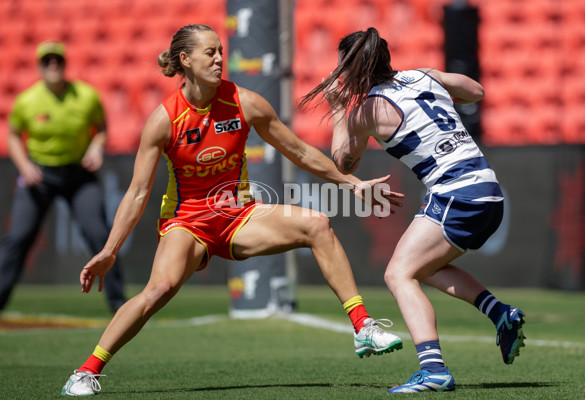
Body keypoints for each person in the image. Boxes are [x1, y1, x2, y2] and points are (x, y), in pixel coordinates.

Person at [61, 24, 405, 396]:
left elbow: (301, 152)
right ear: (185, 60)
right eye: (209, 52)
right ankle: (85, 371)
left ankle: (363, 327)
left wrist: (354, 185)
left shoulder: (245, 102)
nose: (219, 59)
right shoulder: (164, 120)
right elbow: (137, 193)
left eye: (221, 51)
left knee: (317, 224)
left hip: (240, 216)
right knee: (158, 290)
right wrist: (110, 251)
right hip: (187, 221)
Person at [300, 27, 526, 393]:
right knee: (423, 267)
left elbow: (343, 164)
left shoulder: (368, 109)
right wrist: (436, 86)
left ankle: (433, 369)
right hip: (488, 190)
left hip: (456, 193)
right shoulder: (421, 75)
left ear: (351, 69)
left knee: (398, 275)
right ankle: (499, 313)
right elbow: (476, 91)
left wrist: (340, 110)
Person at [0, 41, 127, 314]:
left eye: (57, 60)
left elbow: (102, 128)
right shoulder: (27, 100)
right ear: (39, 66)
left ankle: (119, 305)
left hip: (77, 174)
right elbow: (11, 135)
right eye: (47, 61)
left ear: (65, 64)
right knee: (18, 237)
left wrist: (96, 146)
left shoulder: (85, 96)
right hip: (39, 174)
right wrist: (24, 166)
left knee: (99, 234)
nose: (53, 65)